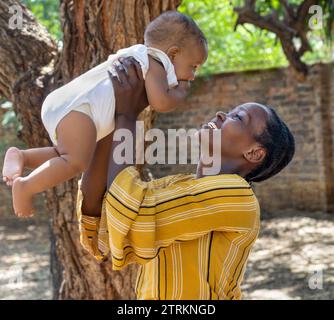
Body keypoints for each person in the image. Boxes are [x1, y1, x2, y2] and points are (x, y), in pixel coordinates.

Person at [76, 59, 295, 300]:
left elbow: (134, 216)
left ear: (254, 153)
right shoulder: (177, 186)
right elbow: (99, 217)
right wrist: (111, 118)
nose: (222, 114)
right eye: (231, 111)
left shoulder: (237, 195)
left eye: (238, 118)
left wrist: (127, 115)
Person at [1, 11, 208, 217]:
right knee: (75, 162)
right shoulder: (153, 61)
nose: (192, 75)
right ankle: (26, 186)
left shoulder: (137, 56)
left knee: (68, 155)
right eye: (193, 66)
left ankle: (22, 156)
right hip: (80, 109)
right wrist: (180, 91)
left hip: (72, 106)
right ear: (172, 54)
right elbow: (161, 102)